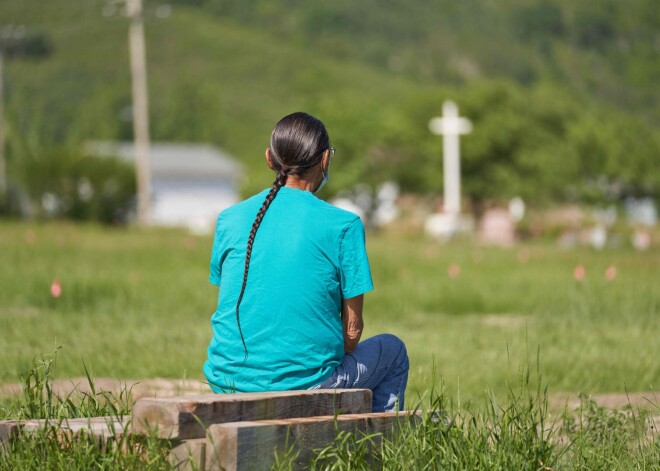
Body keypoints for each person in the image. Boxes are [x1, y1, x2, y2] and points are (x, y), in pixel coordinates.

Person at [203, 112, 409, 412]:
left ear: (269, 159)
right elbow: (352, 332)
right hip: (305, 385)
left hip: (225, 382)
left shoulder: (229, 219)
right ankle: (375, 449)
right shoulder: (344, 225)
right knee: (393, 351)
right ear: (325, 159)